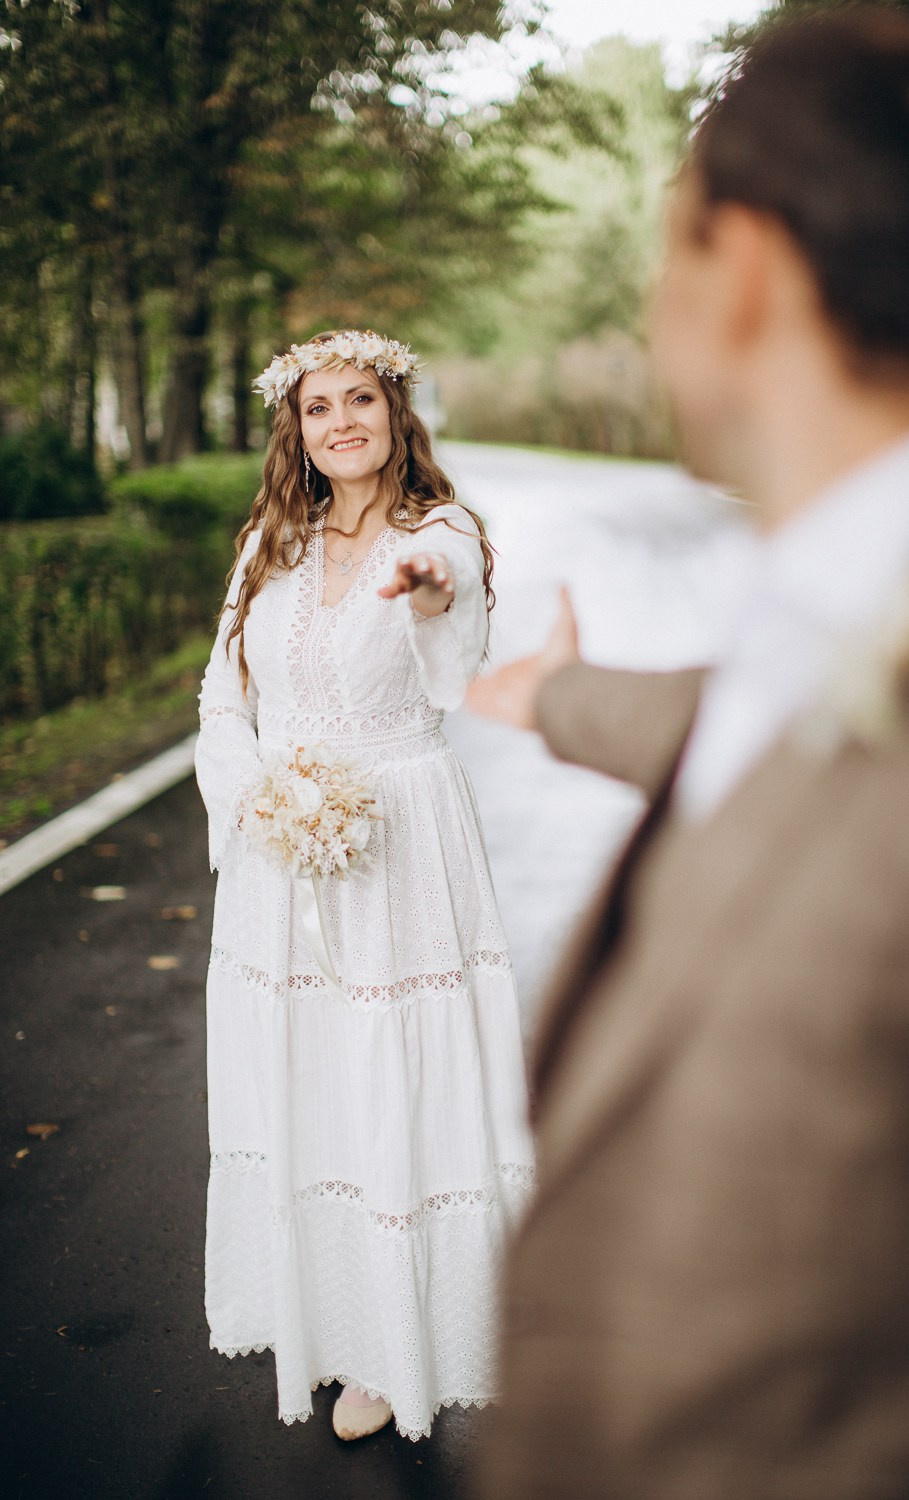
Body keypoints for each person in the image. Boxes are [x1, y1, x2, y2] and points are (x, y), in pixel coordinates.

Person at [468, 9, 909, 1497]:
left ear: (748, 271)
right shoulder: (875, 580)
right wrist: (559, 698)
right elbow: (775, 725)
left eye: (665, 258)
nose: (649, 314)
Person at [193, 329, 534, 1443]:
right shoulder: (267, 545)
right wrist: (258, 800)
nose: (340, 421)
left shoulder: (441, 536)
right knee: (305, 1078)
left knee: (392, 1072)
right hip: (277, 853)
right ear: (294, 429)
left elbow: (453, 620)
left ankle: (396, 1343)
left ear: (396, 415)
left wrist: (431, 585)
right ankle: (326, 1312)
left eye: (361, 402)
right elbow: (220, 703)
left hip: (399, 846)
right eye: (316, 406)